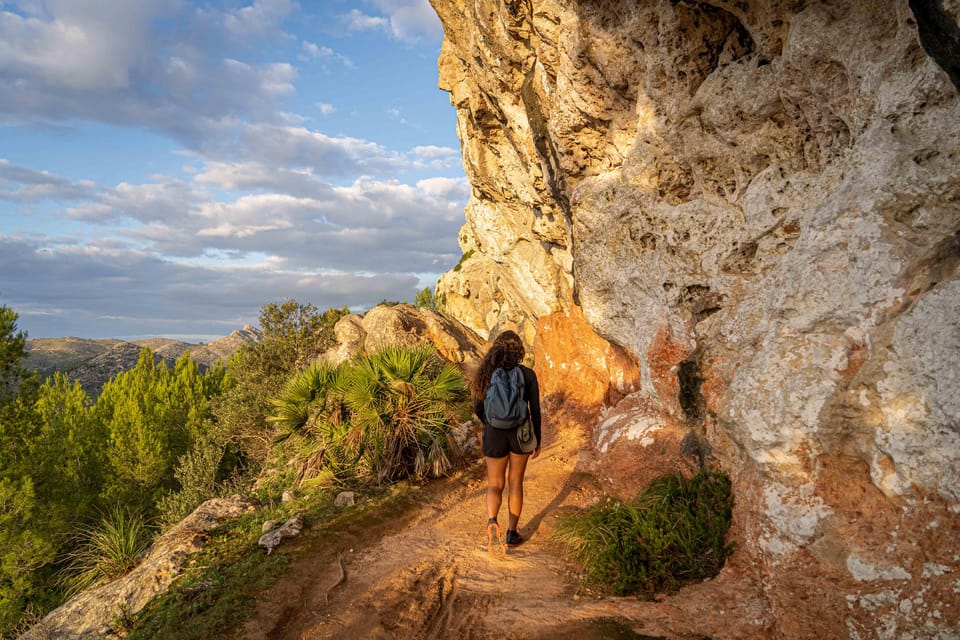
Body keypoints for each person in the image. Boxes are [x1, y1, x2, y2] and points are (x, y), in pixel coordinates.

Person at [470, 329, 541, 549]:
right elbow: (535, 409)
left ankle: (492, 521)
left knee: (494, 484)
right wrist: (536, 439)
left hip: (494, 433)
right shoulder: (528, 374)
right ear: (519, 351)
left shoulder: (486, 374)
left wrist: (488, 424)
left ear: (497, 349)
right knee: (515, 482)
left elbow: (477, 406)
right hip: (521, 434)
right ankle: (511, 533)